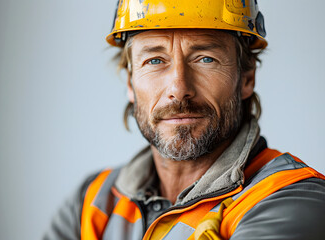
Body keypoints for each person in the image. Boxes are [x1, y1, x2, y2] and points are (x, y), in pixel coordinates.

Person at [43, 0, 325, 239]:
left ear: (246, 78)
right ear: (130, 81)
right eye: (154, 61)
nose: (178, 89)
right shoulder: (92, 200)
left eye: (205, 58)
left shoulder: (293, 199)